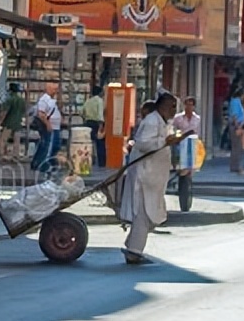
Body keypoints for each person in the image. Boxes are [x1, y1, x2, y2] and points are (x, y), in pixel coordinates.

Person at [118, 93, 188, 265]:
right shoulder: (151, 121)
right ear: (164, 106)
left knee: (149, 213)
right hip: (144, 177)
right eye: (173, 107)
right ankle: (134, 251)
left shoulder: (161, 121)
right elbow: (143, 144)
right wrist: (165, 141)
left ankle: (132, 245)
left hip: (153, 177)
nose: (174, 111)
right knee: (144, 213)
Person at [171, 96, 203, 212]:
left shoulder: (197, 118)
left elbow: (198, 134)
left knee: (191, 168)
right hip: (180, 144)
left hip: (192, 145)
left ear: (194, 106)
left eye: (191, 105)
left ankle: (188, 179)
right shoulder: (178, 118)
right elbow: (173, 129)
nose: (189, 107)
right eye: (187, 104)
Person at [31, 83, 62, 172]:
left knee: (53, 145)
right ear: (48, 89)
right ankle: (42, 165)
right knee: (46, 145)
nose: (55, 91)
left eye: (56, 89)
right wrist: (48, 124)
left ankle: (42, 163)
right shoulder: (44, 100)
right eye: (54, 89)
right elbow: (41, 114)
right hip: (49, 126)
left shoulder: (52, 99)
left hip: (55, 127)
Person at [0, 83, 27, 162]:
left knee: (3, 139)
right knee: (17, 140)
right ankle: (16, 155)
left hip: (8, 123)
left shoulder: (9, 99)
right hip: (18, 123)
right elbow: (24, 112)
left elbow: (4, 112)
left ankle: (1, 155)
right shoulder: (21, 100)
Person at [82, 85, 106, 168]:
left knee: (89, 143)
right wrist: (101, 126)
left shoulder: (88, 101)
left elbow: (82, 112)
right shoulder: (99, 101)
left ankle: (89, 160)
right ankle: (101, 162)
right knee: (100, 143)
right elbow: (100, 114)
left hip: (88, 123)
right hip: (96, 123)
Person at [228, 87, 244, 173]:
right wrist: (237, 126)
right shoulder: (236, 102)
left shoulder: (237, 102)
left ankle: (235, 165)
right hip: (237, 125)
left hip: (239, 125)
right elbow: (235, 115)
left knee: (237, 147)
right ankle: (235, 166)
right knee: (237, 147)